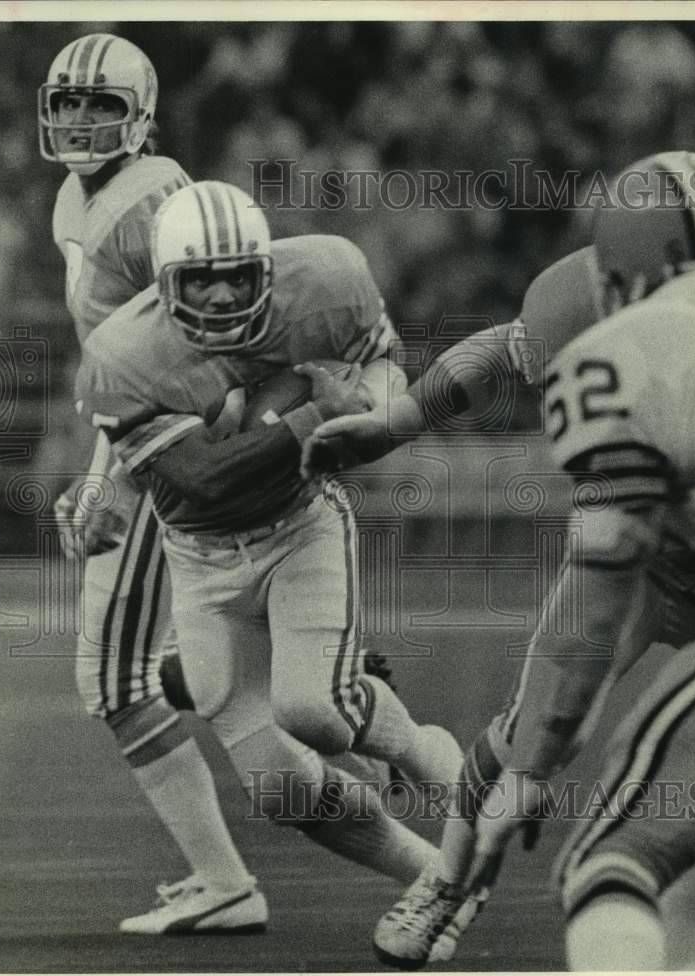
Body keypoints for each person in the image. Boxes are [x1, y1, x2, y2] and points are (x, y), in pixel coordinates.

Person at [307, 151, 695, 970]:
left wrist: (537, 760)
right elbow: (503, 350)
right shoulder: (580, 304)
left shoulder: (621, 332)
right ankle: (449, 882)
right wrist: (398, 420)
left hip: (666, 563)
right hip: (669, 558)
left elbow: (593, 594)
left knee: (609, 841)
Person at [75, 178, 477, 937]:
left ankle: (435, 761)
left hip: (300, 530)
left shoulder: (326, 277)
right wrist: (319, 410)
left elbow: (379, 366)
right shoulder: (126, 353)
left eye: (238, 274)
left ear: (267, 267)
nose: (224, 295)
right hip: (199, 562)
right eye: (202, 278)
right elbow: (203, 476)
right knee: (277, 790)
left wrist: (377, 422)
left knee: (312, 714)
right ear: (165, 286)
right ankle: (435, 877)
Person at [40, 32, 268, 934]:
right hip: (137, 432)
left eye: (104, 105)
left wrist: (110, 476)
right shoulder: (80, 191)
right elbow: (110, 348)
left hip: (166, 440)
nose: (84, 120)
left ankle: (226, 879)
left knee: (116, 677)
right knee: (154, 669)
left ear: (143, 118)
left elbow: (192, 349)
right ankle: (337, 709)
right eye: (71, 101)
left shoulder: (153, 200)